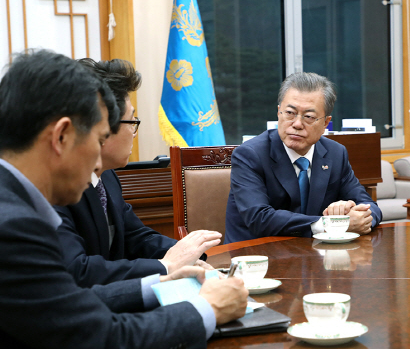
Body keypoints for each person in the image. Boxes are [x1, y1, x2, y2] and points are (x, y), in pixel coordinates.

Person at [0, 50, 247, 348]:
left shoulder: (15, 202)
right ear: (61, 136)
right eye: (100, 138)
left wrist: (160, 284)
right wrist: (208, 308)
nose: (97, 162)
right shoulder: (13, 226)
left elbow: (64, 301)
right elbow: (101, 337)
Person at [55, 58, 220, 287]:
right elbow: (78, 270)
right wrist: (166, 266)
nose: (134, 132)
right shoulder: (55, 187)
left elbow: (135, 236)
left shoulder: (108, 176)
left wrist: (187, 255)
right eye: (132, 121)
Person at [224, 72, 382, 244]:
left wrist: (358, 215)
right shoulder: (250, 154)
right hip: (258, 258)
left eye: (309, 117)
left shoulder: (335, 153)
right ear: (279, 113)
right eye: (290, 113)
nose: (297, 124)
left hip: (315, 257)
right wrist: (333, 224)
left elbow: (370, 206)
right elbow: (259, 218)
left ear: (325, 123)